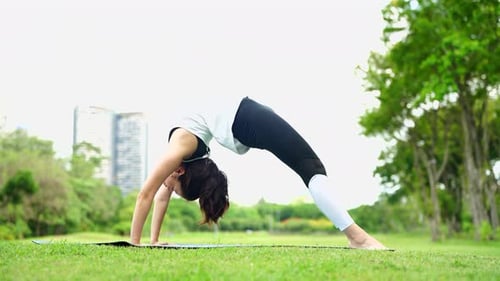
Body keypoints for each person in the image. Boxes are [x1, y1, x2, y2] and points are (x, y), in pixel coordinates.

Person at [130, 96, 387, 249]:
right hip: (248, 119)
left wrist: (134, 243)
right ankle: (358, 237)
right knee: (311, 168)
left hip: (248, 118)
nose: (168, 188)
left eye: (174, 187)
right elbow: (160, 196)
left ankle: (358, 238)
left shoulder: (179, 149)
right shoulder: (181, 161)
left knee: (312, 169)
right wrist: (152, 241)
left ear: (179, 171)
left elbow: (146, 195)